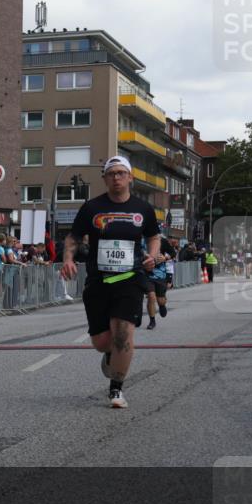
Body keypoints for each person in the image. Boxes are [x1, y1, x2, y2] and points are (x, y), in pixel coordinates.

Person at [60, 156, 159, 409]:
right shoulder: (92, 208)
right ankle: (109, 354)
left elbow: (154, 236)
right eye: (111, 173)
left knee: (124, 333)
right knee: (103, 342)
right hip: (98, 281)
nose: (116, 177)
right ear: (104, 178)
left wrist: (153, 256)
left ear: (130, 178)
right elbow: (73, 237)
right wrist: (68, 258)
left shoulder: (143, 209)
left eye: (121, 173)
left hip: (129, 280)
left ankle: (116, 389)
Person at [143, 236, 174, 330]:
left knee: (160, 300)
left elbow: (173, 253)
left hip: (160, 275)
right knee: (151, 296)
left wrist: (165, 257)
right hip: (146, 275)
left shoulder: (162, 241)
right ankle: (152, 321)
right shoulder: (140, 239)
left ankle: (162, 305)